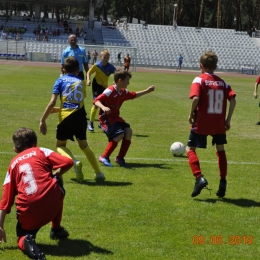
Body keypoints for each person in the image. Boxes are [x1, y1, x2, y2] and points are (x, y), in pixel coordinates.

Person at [0, 127, 73, 259]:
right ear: (35, 143)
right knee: (57, 181)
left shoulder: (12, 165)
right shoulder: (41, 151)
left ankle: (27, 240)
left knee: (22, 236)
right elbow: (68, 162)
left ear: (15, 149)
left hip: (29, 212)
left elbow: (5, 201)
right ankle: (56, 229)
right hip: (52, 204)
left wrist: (0, 226)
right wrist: (57, 173)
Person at [40, 57, 105, 182]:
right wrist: (60, 108)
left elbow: (52, 102)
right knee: (84, 145)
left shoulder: (60, 80)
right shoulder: (80, 82)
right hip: (80, 116)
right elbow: (76, 102)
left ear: (63, 69)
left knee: (60, 145)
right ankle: (99, 173)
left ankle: (75, 161)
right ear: (78, 69)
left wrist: (43, 119)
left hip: (66, 117)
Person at [186, 51, 236, 198]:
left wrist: (190, 114)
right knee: (220, 150)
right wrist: (228, 120)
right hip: (218, 123)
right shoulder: (223, 82)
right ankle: (223, 182)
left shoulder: (199, 80)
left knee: (190, 148)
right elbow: (233, 100)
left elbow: (195, 98)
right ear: (215, 66)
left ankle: (199, 178)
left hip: (202, 121)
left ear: (201, 66)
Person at [94, 70, 155, 167]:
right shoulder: (110, 90)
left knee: (128, 131)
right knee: (120, 134)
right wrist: (103, 107)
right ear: (120, 81)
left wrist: (147, 91)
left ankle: (120, 158)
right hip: (106, 118)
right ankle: (104, 157)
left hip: (115, 117)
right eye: (127, 80)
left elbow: (133, 95)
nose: (128, 83)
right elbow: (97, 100)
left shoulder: (123, 92)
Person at [87, 49, 116, 132]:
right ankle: (91, 123)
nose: (106, 59)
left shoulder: (110, 67)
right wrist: (88, 80)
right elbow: (89, 72)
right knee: (96, 104)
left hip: (104, 87)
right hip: (96, 86)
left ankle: (101, 123)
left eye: (107, 57)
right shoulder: (96, 65)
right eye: (104, 57)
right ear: (101, 57)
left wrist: (115, 80)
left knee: (104, 105)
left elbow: (117, 73)